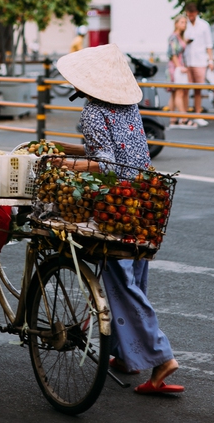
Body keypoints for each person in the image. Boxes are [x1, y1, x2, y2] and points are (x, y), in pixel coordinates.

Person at [56, 43, 184, 397]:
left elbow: (108, 166)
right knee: (135, 276)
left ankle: (161, 358)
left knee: (119, 283)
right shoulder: (128, 105)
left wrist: (65, 164)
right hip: (145, 199)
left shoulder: (93, 112)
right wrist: (71, 151)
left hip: (117, 204)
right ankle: (127, 356)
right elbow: (118, 154)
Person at [183, 2, 214, 125]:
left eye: (192, 14)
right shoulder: (184, 24)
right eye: (188, 14)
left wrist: (210, 60)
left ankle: (198, 115)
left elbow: (209, 44)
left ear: (196, 13)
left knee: (198, 90)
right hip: (186, 61)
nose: (190, 16)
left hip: (200, 61)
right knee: (185, 89)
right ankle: (184, 115)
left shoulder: (204, 25)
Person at [164, 15, 197, 127]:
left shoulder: (180, 37)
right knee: (179, 92)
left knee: (174, 93)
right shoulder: (173, 37)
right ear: (176, 23)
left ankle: (173, 119)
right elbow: (173, 53)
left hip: (177, 66)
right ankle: (184, 118)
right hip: (175, 67)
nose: (184, 24)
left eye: (185, 23)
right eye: (182, 22)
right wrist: (179, 67)